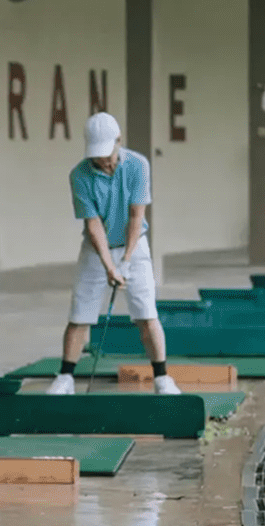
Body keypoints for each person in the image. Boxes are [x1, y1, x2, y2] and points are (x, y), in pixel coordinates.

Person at [46, 112, 180, 396]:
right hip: (97, 248)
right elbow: (93, 225)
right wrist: (110, 266)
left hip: (136, 244)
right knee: (80, 314)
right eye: (97, 156)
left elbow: (136, 215)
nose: (103, 161)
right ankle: (65, 377)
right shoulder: (79, 175)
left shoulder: (137, 165)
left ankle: (162, 377)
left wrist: (127, 261)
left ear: (119, 141)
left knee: (146, 314)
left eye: (107, 153)